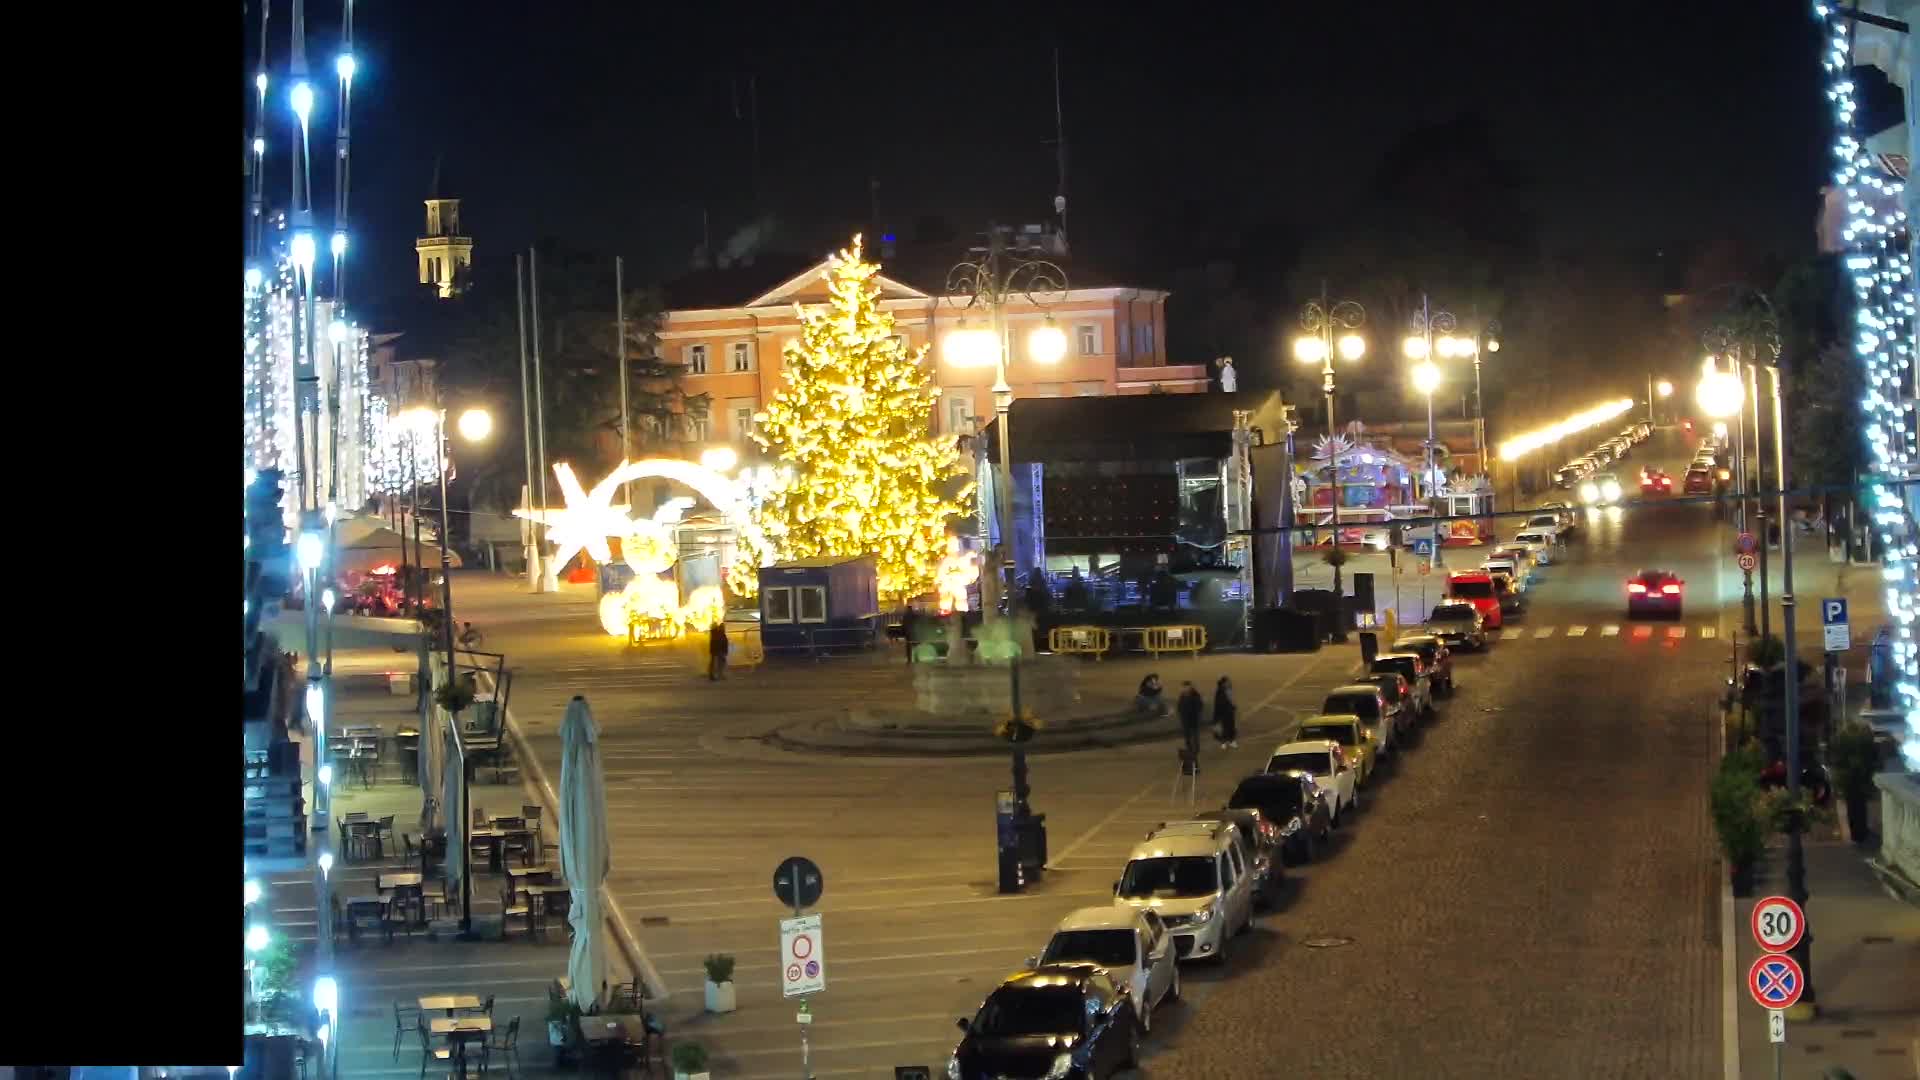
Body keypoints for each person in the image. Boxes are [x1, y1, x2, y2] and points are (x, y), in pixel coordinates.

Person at [1176, 681, 1205, 758]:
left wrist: (1197, 715)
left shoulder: (1195, 696)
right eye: (1184, 687)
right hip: (1185, 720)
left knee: (1195, 736)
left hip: (1194, 719)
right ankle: (1189, 749)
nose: (1185, 689)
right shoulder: (1182, 696)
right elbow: (1179, 706)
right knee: (1187, 736)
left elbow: (1200, 706)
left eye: (1187, 687)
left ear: (1191, 687)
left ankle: (1196, 750)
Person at [1213, 676, 1238, 748]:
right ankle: (1223, 742)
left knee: (1231, 727)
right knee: (1224, 728)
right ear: (1223, 683)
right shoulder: (1219, 692)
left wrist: (1233, 707)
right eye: (1227, 682)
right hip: (1223, 713)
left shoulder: (1229, 690)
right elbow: (1218, 704)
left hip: (1230, 713)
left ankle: (1232, 741)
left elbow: (1232, 700)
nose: (1229, 683)